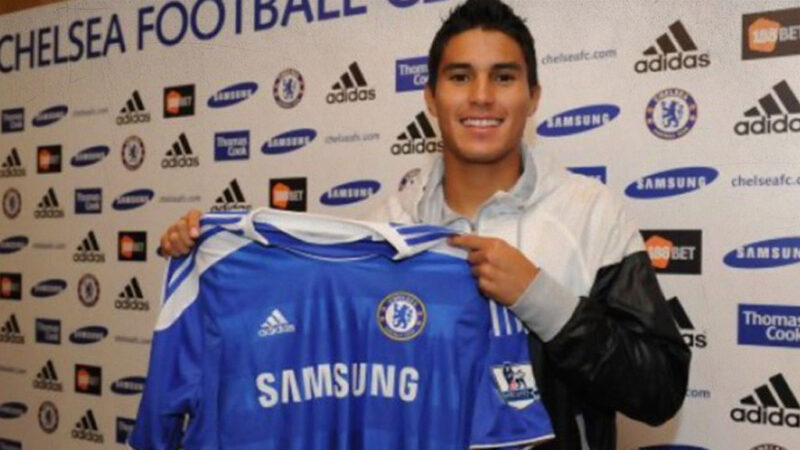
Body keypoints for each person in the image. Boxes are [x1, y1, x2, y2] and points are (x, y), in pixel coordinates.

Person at [158, 1, 690, 448]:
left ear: (533, 97)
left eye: (504, 77)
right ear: (431, 98)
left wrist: (539, 297)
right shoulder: (381, 229)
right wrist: (204, 254)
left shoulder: (591, 214)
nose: (481, 96)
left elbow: (659, 389)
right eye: (460, 77)